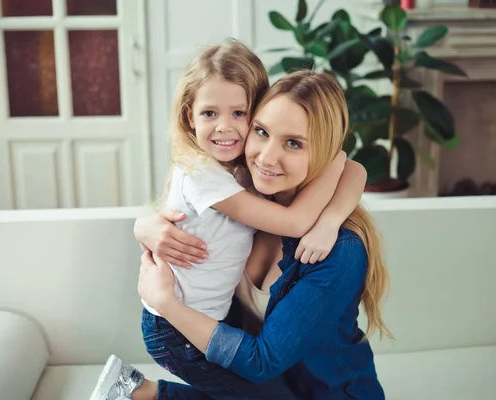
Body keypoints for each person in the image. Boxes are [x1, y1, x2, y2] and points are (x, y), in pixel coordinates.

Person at [90, 39, 368, 400]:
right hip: (207, 345)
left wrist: (330, 219)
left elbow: (349, 166)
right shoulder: (231, 183)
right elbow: (333, 176)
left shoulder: (329, 246)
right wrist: (144, 225)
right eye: (263, 132)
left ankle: (136, 392)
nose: (267, 157)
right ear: (191, 116)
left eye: (294, 143)